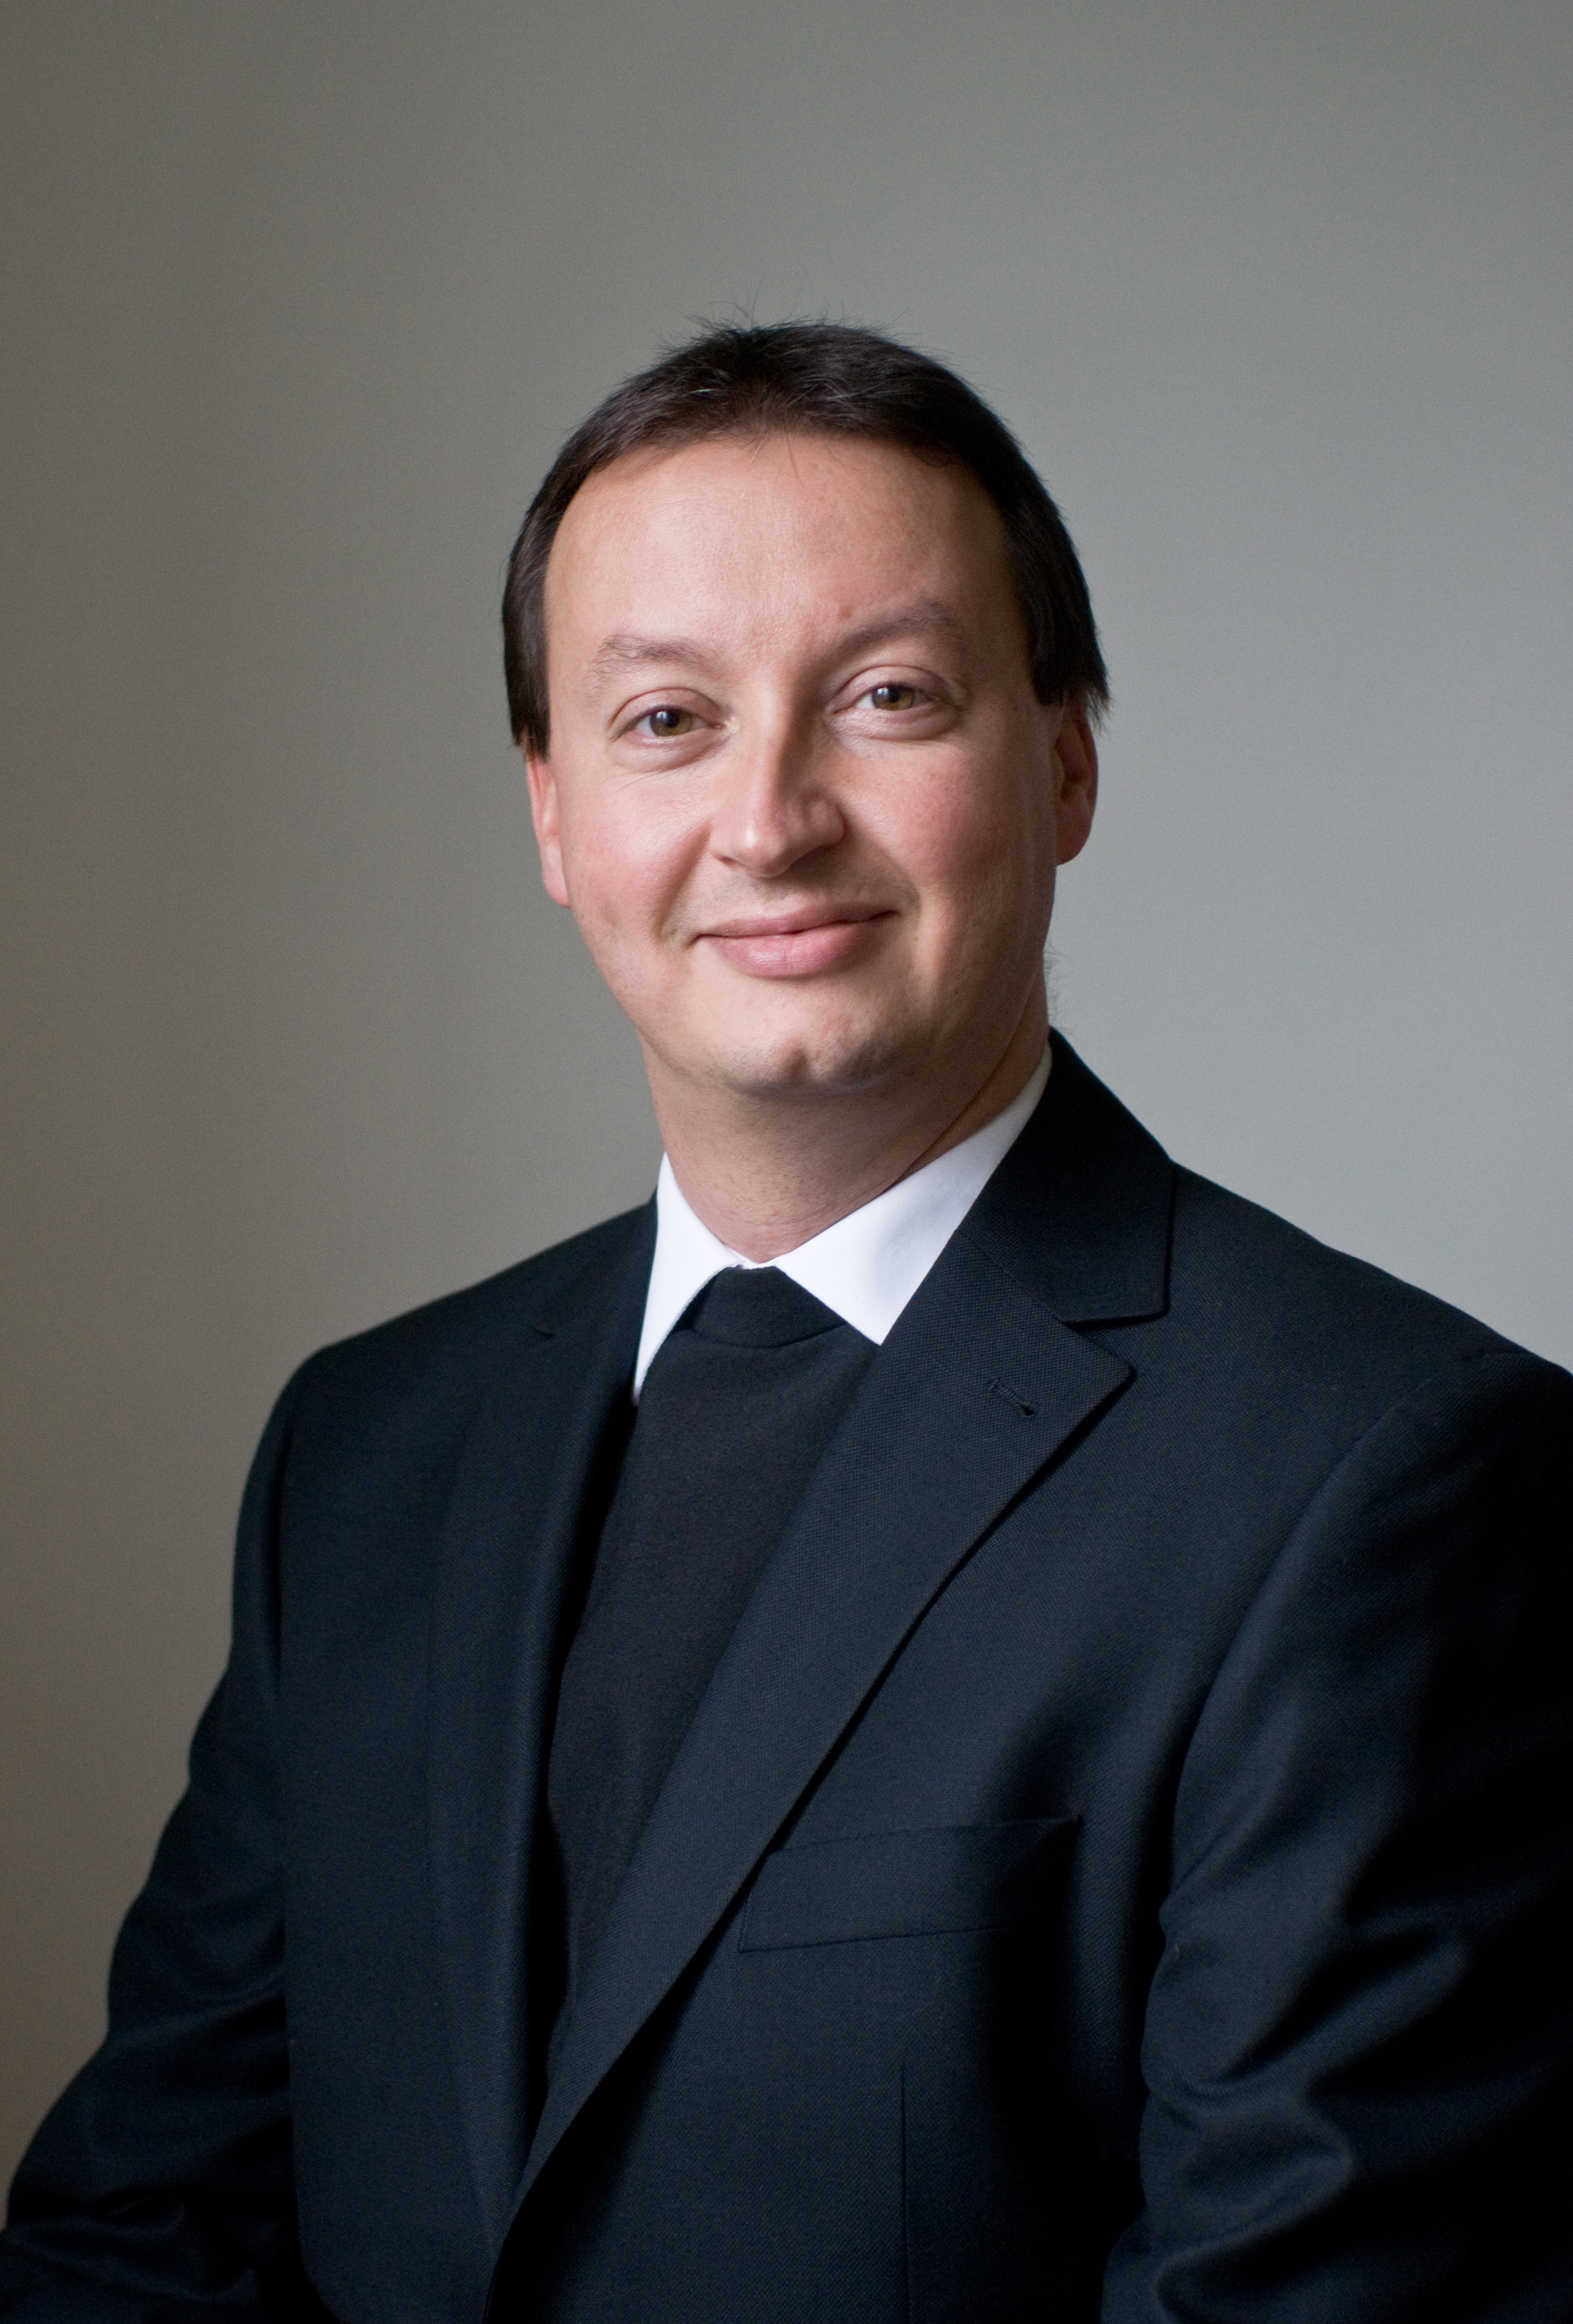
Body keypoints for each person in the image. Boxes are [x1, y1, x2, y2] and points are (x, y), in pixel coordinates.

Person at [2, 322, 1569, 2324]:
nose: (770, 818)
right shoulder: (365, 1450)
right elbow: (142, 2240)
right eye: (666, 719)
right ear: (553, 811)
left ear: (1066, 761)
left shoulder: (1389, 1480)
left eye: (889, 696)